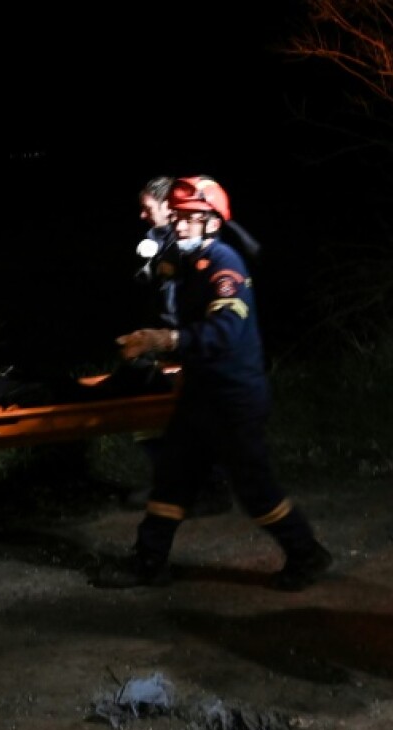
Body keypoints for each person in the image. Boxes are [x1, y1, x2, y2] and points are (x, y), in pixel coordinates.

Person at [94, 176, 333, 591]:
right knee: (172, 476)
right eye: (178, 217)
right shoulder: (191, 261)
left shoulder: (225, 265)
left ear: (211, 222)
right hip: (202, 395)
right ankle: (149, 561)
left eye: (188, 218)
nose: (179, 224)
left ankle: (307, 554)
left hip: (233, 400)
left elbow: (223, 332)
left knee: (256, 491)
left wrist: (166, 340)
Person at [120, 176, 233, 516]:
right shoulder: (158, 241)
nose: (142, 215)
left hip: (186, 344)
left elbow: (193, 301)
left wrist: (176, 340)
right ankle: (169, 484)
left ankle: (208, 490)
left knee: (193, 419)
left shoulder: (197, 248)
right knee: (146, 418)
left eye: (147, 209)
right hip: (165, 342)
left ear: (167, 207)